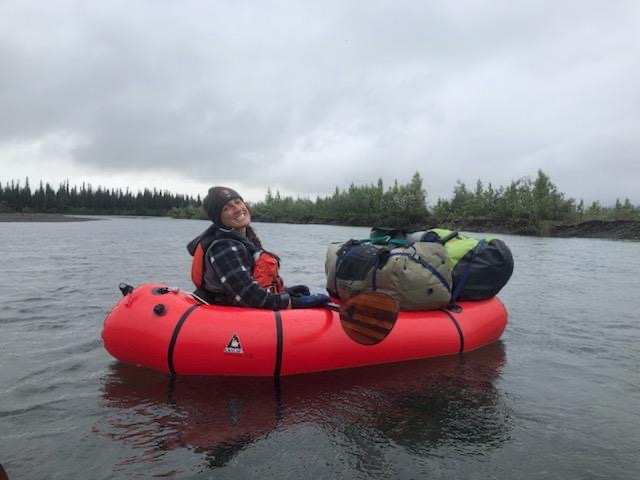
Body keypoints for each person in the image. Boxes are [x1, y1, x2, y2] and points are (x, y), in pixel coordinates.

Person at [187, 186, 330, 310]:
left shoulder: (242, 239)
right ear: (219, 219)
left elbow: (250, 284)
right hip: (227, 317)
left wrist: (285, 292)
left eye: (237, 202)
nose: (237, 209)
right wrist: (292, 302)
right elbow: (247, 297)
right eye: (227, 208)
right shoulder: (224, 247)